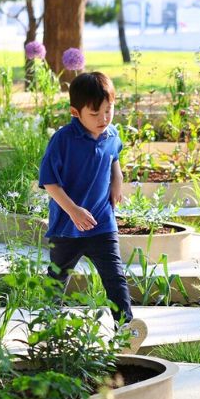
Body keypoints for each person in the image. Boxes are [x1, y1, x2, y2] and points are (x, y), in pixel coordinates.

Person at [38, 71, 147, 351]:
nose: (104, 119)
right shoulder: (63, 140)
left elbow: (114, 157)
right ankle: (49, 330)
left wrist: (117, 178)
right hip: (67, 227)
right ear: (76, 112)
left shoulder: (112, 134)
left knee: (114, 276)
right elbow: (49, 181)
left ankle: (126, 329)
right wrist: (73, 210)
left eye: (109, 110)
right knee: (57, 279)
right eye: (95, 113)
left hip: (102, 223)